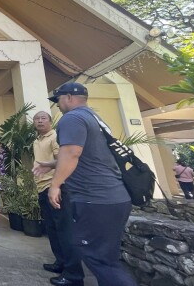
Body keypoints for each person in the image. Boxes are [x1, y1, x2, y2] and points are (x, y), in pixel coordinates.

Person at [48, 82, 137, 286]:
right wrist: (51, 164)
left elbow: (72, 153)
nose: (58, 105)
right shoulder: (95, 118)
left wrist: (55, 185)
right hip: (115, 197)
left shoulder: (72, 118)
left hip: (96, 198)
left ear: (69, 97)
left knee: (100, 259)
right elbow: (90, 156)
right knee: (106, 259)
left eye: (58, 100)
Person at [31, 111, 84, 286]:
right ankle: (60, 263)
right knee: (52, 229)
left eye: (43, 118)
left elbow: (62, 160)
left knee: (64, 230)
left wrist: (57, 185)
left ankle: (74, 275)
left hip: (55, 188)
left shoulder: (55, 137)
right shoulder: (37, 140)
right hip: (42, 187)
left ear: (51, 121)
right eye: (36, 119)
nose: (39, 121)